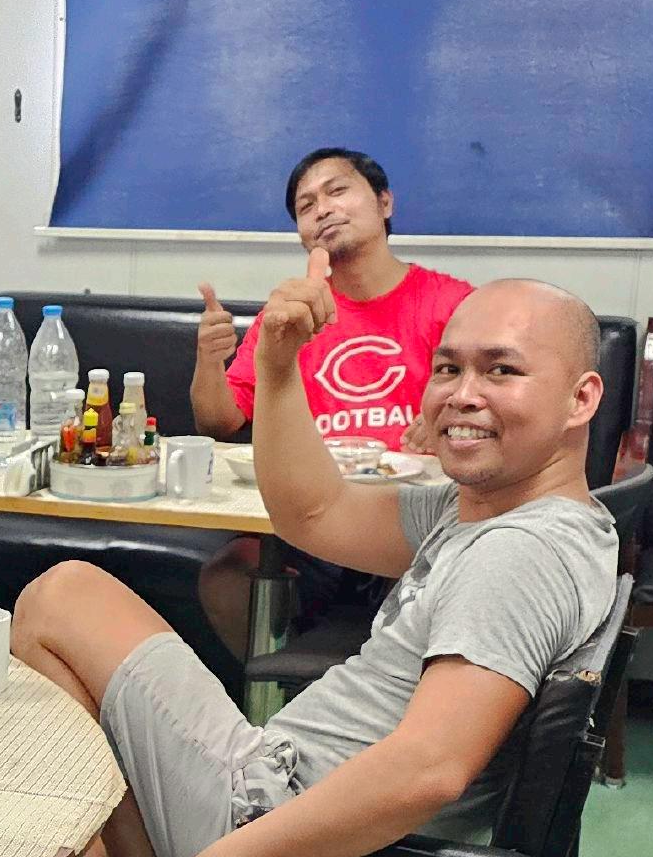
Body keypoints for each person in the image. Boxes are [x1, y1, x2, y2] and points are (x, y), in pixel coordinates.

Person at [0, 260, 614, 857]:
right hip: (284, 800)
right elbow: (312, 513)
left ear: (579, 399)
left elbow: (431, 767)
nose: (463, 394)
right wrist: (277, 365)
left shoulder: (517, 556)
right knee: (116, 806)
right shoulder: (496, 515)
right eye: (448, 368)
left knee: (58, 599)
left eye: (501, 370)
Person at [189, 149, 476, 656]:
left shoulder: (453, 304)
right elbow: (219, 422)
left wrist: (448, 420)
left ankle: (384, 700)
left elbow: (489, 398)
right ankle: (276, 695)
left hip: (411, 521)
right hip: (307, 521)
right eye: (306, 206)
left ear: (384, 203)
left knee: (436, 584)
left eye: (337, 190)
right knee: (229, 575)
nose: (322, 209)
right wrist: (209, 360)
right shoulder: (288, 316)